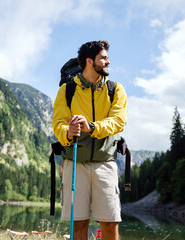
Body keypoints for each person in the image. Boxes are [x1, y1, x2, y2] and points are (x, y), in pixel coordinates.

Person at [52, 40, 127, 240]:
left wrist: (91, 127)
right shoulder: (67, 91)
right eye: (103, 58)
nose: (108, 62)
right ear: (89, 61)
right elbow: (58, 123)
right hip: (75, 163)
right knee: (78, 226)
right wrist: (68, 131)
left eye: (107, 58)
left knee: (110, 225)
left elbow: (118, 121)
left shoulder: (115, 89)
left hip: (105, 163)